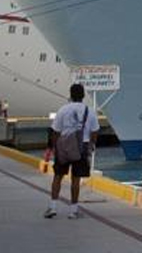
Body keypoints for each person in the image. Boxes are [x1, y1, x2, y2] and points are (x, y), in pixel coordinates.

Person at [45, 83, 100, 219]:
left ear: (70, 95)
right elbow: (95, 131)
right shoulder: (89, 111)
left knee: (58, 177)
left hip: (64, 147)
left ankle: (52, 207)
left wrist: (55, 147)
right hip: (82, 147)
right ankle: (73, 210)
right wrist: (92, 144)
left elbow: (55, 131)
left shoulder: (63, 110)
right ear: (82, 95)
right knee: (76, 179)